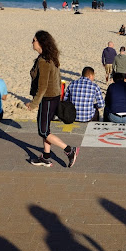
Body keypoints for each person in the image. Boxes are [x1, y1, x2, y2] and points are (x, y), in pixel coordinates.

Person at [26, 30, 79, 168]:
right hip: (53, 97)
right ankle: (46, 156)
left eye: (34, 39)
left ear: (40, 42)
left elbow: (42, 86)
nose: (32, 42)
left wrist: (33, 104)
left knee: (43, 131)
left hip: (48, 99)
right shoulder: (50, 58)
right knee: (46, 129)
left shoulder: (44, 61)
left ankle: (69, 150)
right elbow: (58, 79)